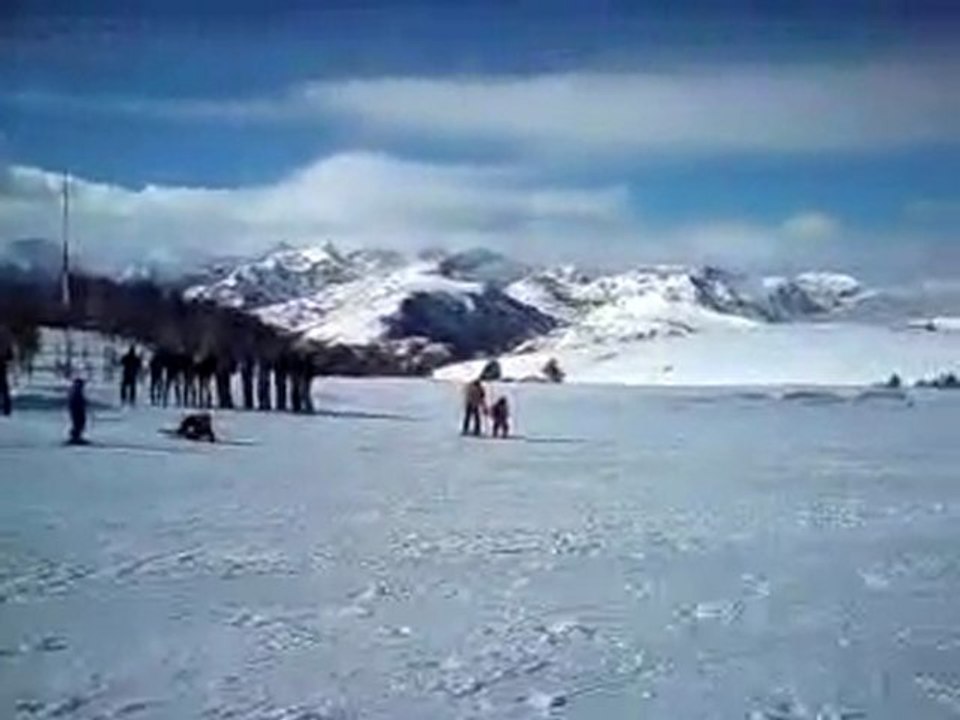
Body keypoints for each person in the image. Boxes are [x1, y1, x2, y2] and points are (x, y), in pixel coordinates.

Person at [67, 378, 87, 444]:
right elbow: (77, 402)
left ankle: (76, 436)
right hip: (77, 411)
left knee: (79, 424)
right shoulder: (76, 392)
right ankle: (75, 437)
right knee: (79, 424)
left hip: (77, 411)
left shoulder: (74, 392)